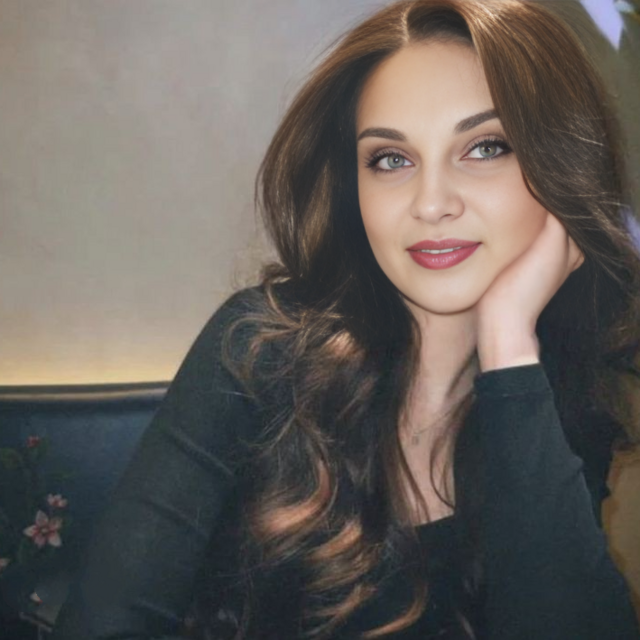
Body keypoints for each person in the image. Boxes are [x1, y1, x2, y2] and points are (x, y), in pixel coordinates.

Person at [52, 0, 640, 638]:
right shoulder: (256, 349)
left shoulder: (552, 401)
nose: (431, 203)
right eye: (391, 159)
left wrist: (508, 345)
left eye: (485, 147)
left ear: (559, 167)